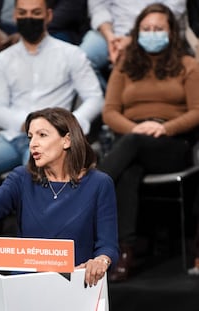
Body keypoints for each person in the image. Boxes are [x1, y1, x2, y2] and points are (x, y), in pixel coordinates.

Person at [0, 0, 103, 236]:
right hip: (11, 136)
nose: (29, 18)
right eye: (23, 13)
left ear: (48, 16)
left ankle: (38, 250)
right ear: (14, 16)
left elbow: (95, 98)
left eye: (35, 13)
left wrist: (67, 127)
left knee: (35, 165)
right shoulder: (3, 59)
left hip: (51, 140)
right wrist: (30, 126)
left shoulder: (71, 54)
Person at [0, 107, 119, 286]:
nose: (33, 144)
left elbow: (108, 244)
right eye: (30, 137)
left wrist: (100, 261)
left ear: (66, 140)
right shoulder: (22, 178)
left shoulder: (99, 183)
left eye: (42, 135)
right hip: (25, 284)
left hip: (76, 285)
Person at [97, 3, 199, 282]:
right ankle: (124, 252)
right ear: (137, 32)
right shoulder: (125, 65)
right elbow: (109, 112)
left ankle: (86, 189)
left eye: (158, 29)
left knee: (131, 148)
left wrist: (165, 129)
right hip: (133, 142)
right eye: (146, 29)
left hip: (172, 144)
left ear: (171, 33)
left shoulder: (188, 65)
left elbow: (197, 111)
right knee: (128, 171)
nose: (152, 33)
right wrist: (136, 129)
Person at [80, 0, 187, 91]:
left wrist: (134, 37)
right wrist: (110, 37)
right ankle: (106, 104)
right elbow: (98, 7)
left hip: (153, 29)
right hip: (111, 30)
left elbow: (173, 10)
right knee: (82, 58)